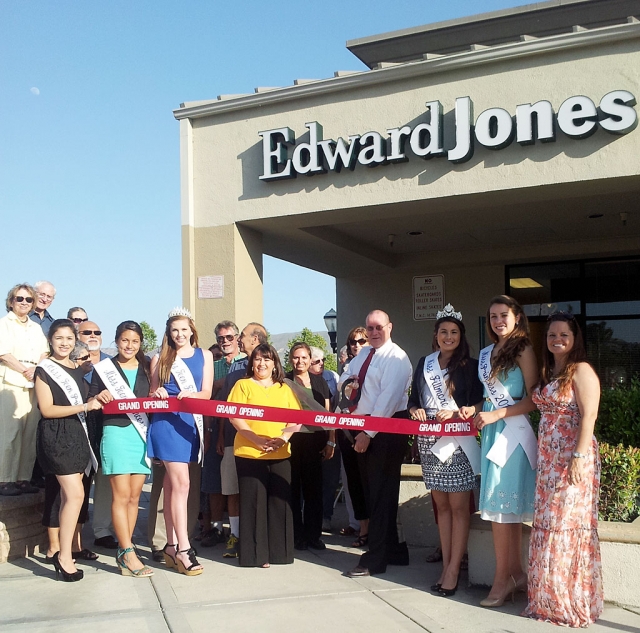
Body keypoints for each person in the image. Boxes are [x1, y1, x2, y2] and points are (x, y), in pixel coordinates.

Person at [523, 313, 603, 627]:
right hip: (548, 463)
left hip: (572, 460)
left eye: (564, 334)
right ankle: (547, 601)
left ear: (575, 337)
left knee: (566, 528)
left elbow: (590, 414)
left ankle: (569, 600)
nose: (557, 339)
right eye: (552, 335)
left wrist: (579, 457)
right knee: (548, 526)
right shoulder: (551, 371)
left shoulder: (581, 370)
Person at [408, 304, 483, 597]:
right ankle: (447, 564)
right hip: (429, 442)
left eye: (453, 332)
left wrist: (462, 411)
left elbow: (481, 403)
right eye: (443, 332)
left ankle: (453, 568)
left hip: (457, 442)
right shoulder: (424, 363)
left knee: (458, 507)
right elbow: (413, 399)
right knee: (441, 507)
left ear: (460, 336)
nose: (448, 337)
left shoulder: (471, 365)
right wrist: (414, 409)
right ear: (435, 335)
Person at [474, 295, 538, 607]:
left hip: (512, 434)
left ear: (517, 317)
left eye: (504, 315)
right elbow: (488, 400)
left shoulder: (523, 349)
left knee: (502, 510)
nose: (498, 321)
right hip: (492, 432)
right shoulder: (488, 352)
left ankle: (503, 580)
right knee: (503, 514)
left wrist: (497, 414)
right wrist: (471, 409)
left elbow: (534, 399)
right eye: (493, 316)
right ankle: (514, 574)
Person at [340, 310, 413, 578]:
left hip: (385, 428)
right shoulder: (363, 355)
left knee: (381, 494)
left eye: (378, 327)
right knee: (374, 492)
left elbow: (388, 400)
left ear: (390, 327)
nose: (373, 332)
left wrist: (368, 433)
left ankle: (376, 559)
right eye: (369, 328)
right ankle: (393, 550)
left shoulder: (396, 357)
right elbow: (346, 379)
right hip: (364, 426)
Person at [35, 319, 102, 581]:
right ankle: (63, 556)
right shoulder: (44, 370)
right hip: (56, 436)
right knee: (75, 495)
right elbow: (48, 409)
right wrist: (85, 407)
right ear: (50, 340)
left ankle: (65, 552)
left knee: (71, 497)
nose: (64, 343)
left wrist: (95, 401)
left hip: (77, 434)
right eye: (59, 338)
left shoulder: (77, 368)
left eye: (69, 338)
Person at [148, 308, 213, 576]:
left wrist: (193, 393)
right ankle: (185, 549)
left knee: (173, 486)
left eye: (184, 329)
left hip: (189, 423)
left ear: (192, 330)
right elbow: (151, 393)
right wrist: (159, 391)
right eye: (175, 330)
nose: (180, 334)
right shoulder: (160, 358)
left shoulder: (205, 355)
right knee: (182, 484)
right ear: (169, 332)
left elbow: (207, 393)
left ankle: (171, 546)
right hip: (165, 424)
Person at [227, 343, 301, 567]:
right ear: (252, 362)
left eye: (267, 359)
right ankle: (255, 556)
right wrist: (256, 439)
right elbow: (234, 416)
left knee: (280, 504)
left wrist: (283, 439)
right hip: (250, 453)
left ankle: (280, 554)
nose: (262, 364)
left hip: (280, 452)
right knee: (253, 504)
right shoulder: (242, 385)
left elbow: (296, 419)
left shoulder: (284, 388)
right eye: (258, 359)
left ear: (274, 363)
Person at [90, 321, 154, 577]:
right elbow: (91, 399)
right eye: (125, 340)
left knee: (134, 498)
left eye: (135, 341)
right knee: (120, 495)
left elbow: (153, 397)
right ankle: (127, 551)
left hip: (140, 435)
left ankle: (125, 551)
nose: (130, 346)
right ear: (117, 341)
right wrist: (99, 397)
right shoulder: (104, 369)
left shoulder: (148, 367)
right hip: (116, 433)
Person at [213, 322, 269, 558]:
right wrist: (222, 436)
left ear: (255, 340)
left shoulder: (275, 372)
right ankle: (235, 535)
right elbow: (227, 410)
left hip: (265, 444)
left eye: (242, 336)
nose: (239, 340)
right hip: (234, 441)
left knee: (258, 490)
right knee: (233, 490)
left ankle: (259, 536)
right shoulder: (234, 375)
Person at [0, 283, 49, 496]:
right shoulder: (4, 324)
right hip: (11, 381)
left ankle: (23, 478)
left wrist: (35, 369)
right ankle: (5, 479)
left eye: (28, 299)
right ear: (11, 301)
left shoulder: (36, 327)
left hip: (33, 381)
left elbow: (45, 352)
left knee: (29, 434)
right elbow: (4, 353)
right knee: (10, 433)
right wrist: (24, 370)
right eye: (19, 299)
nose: (24, 303)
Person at [201, 320, 244, 548]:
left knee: (234, 485)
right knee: (213, 483)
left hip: (238, 431)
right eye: (221, 338)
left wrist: (222, 384)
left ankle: (235, 532)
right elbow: (206, 397)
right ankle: (216, 528)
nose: (225, 342)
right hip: (214, 428)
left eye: (229, 337)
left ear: (237, 338)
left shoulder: (246, 364)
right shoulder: (213, 365)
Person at [286, 342, 332, 550]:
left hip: (315, 443)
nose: (300, 361)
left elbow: (329, 414)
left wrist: (331, 440)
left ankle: (314, 535)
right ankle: (297, 535)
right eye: (296, 357)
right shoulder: (284, 381)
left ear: (310, 359)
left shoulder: (319, 382)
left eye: (304, 357)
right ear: (290, 359)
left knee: (314, 491)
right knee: (293, 490)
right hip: (292, 442)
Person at [78, 321, 117, 549]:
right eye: (87, 332)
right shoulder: (70, 363)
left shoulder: (111, 365)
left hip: (104, 428)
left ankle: (103, 531)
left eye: (97, 332)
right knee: (79, 486)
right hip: (77, 430)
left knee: (103, 483)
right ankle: (76, 533)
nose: (93, 335)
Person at [337, 326, 370, 545]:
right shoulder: (346, 368)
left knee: (371, 482)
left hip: (369, 430)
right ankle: (363, 529)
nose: (356, 345)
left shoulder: (375, 364)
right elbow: (341, 397)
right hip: (347, 430)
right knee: (354, 482)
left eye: (361, 341)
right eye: (353, 342)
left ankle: (376, 530)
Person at [309, 346, 341, 532]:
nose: (321, 364)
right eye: (316, 361)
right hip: (306, 437)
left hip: (328, 435)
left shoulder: (332, 377)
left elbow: (332, 412)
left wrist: (332, 440)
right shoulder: (295, 380)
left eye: (323, 361)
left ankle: (325, 516)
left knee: (329, 479)